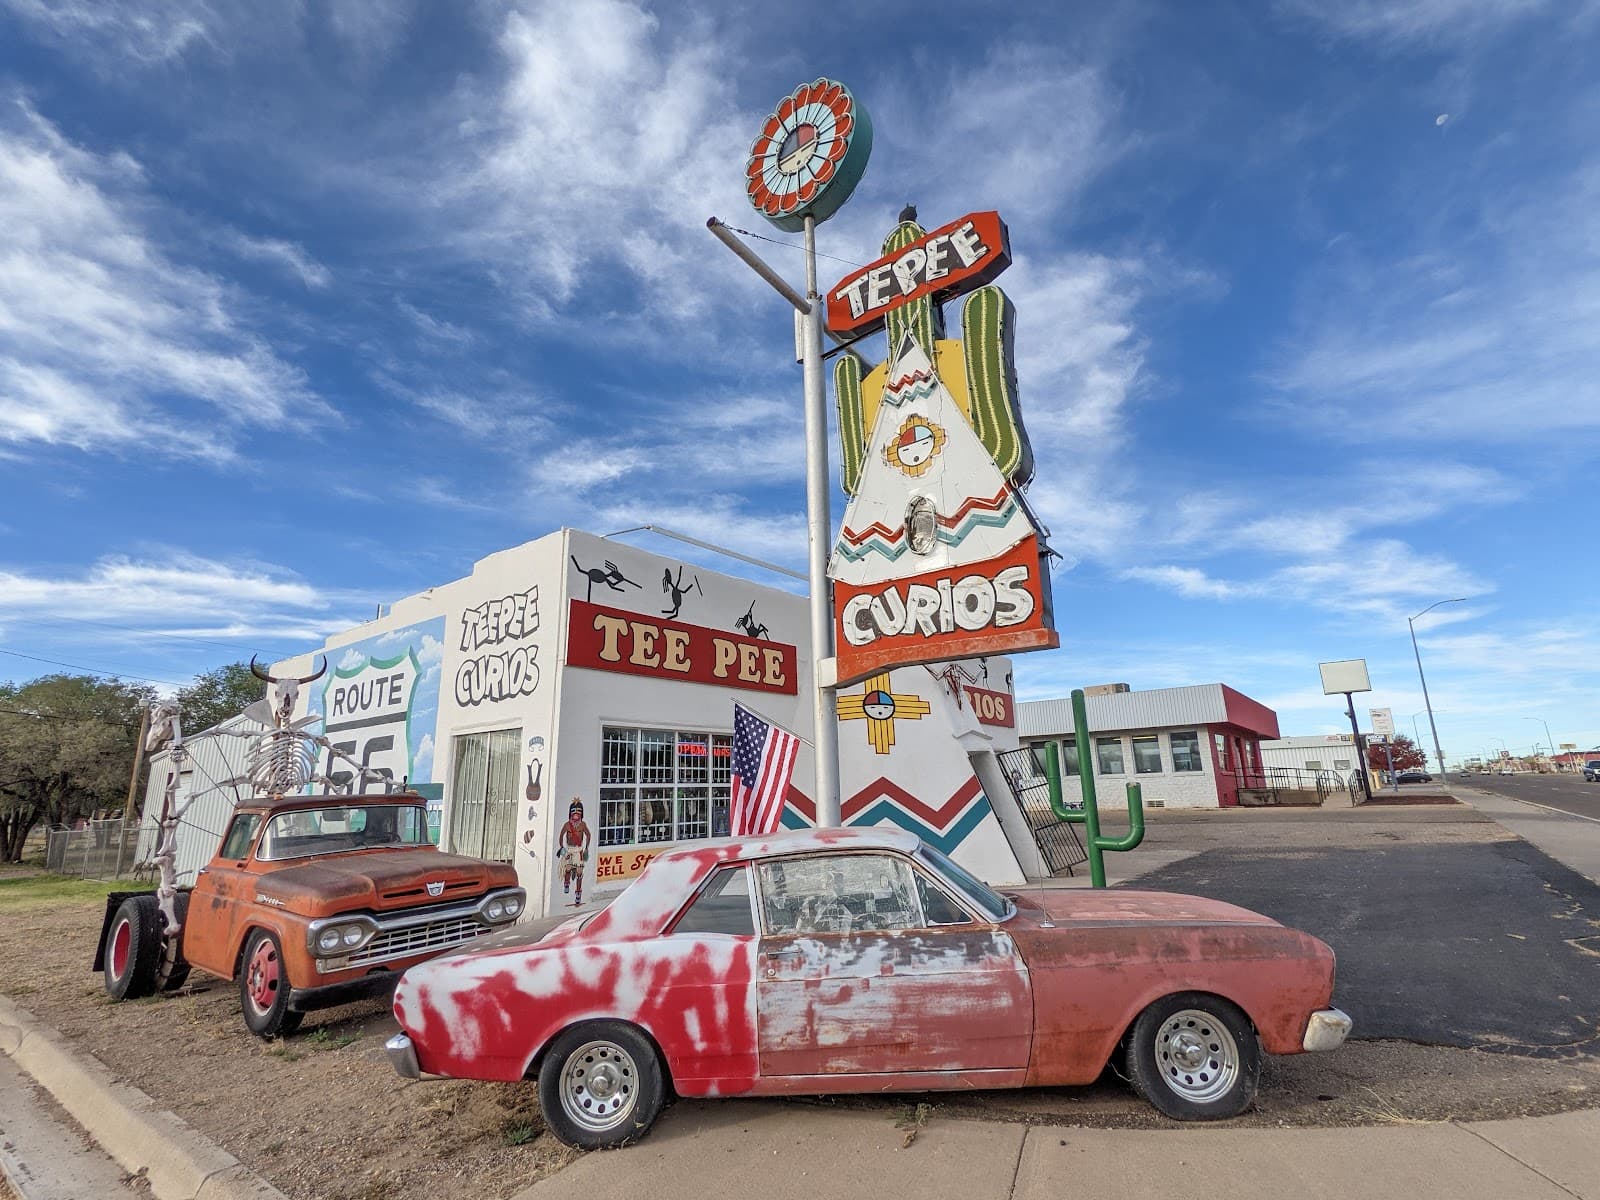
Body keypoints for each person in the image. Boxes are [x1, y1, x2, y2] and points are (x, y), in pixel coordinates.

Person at [559, 800, 592, 907]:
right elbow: (561, 837)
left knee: (579, 872)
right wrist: (562, 849)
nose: (576, 814)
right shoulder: (567, 825)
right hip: (569, 849)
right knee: (568, 868)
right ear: (570, 813)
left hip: (578, 850)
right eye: (574, 811)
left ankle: (578, 893)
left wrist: (586, 848)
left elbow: (588, 835)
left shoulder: (583, 825)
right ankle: (566, 883)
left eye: (579, 812)